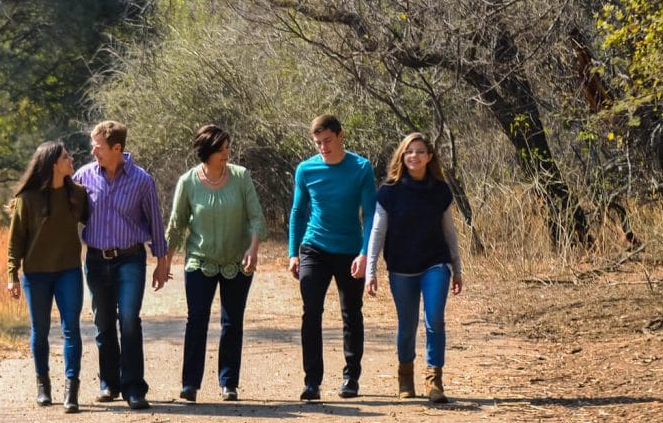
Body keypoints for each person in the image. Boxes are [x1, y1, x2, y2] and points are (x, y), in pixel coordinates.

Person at [166, 125, 267, 403]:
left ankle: (229, 382)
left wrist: (253, 248)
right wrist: (166, 262)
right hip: (200, 261)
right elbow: (177, 225)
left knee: (232, 322)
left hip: (237, 260)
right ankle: (190, 385)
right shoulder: (188, 182)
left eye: (227, 148)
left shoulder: (241, 177)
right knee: (196, 320)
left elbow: (256, 218)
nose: (227, 153)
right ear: (207, 152)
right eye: (221, 149)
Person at [73, 120, 170, 411]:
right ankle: (109, 383)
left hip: (130, 259)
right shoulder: (83, 177)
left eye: (98, 146)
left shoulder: (141, 180)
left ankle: (133, 388)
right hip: (96, 260)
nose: (93, 151)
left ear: (117, 148)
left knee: (128, 319)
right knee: (103, 323)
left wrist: (161, 261)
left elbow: (155, 221)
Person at [362, 132, 463, 403]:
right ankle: (405, 377)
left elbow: (449, 232)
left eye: (419, 151)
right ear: (402, 156)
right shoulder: (389, 192)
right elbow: (377, 233)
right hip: (401, 268)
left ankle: (434, 381)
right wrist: (370, 271)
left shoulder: (440, 191)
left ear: (429, 157)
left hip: (435, 264)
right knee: (407, 325)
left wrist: (457, 268)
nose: (414, 156)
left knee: (435, 320)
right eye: (409, 151)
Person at [288, 115, 377, 400]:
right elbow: (298, 213)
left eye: (327, 141)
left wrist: (366, 253)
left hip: (350, 249)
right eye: (317, 143)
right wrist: (293, 253)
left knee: (351, 312)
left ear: (340, 136)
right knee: (311, 311)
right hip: (314, 247)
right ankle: (311, 382)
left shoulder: (361, 168)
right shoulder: (306, 169)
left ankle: (351, 377)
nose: (323, 147)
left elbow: (371, 214)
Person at [6, 141, 90, 413]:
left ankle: (71, 389)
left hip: (68, 271)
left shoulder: (77, 194)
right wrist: (12, 275)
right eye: (66, 157)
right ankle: (43, 385)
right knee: (39, 330)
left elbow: (93, 222)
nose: (71, 159)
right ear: (53, 163)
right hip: (36, 274)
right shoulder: (26, 200)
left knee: (71, 329)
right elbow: (15, 241)